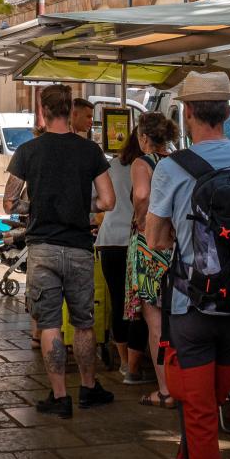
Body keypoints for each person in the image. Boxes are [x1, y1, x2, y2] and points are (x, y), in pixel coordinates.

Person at [146, 71, 230, 459]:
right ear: (228, 111)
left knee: (200, 412)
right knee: (213, 395)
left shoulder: (172, 167)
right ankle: (186, 457)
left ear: (186, 114)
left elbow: (156, 240)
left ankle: (194, 457)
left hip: (192, 304)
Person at [4, 84, 115, 419]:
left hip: (43, 249)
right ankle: (89, 388)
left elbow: (10, 202)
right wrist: (83, 206)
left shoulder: (28, 151)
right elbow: (108, 201)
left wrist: (36, 206)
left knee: (49, 322)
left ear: (43, 111)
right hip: (80, 248)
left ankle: (60, 396)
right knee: (83, 324)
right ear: (70, 111)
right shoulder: (90, 151)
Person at [124, 112, 177, 408]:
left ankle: (166, 389)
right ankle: (182, 383)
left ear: (143, 137)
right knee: (176, 317)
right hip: (176, 244)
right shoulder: (177, 160)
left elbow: (142, 195)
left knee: (154, 319)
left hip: (150, 246)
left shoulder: (142, 163)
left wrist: (143, 220)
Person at [96, 126, 149, 383]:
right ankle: (135, 368)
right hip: (137, 241)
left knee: (119, 302)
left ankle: (124, 363)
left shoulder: (112, 165)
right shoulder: (155, 166)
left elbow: (97, 199)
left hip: (109, 241)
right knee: (139, 306)